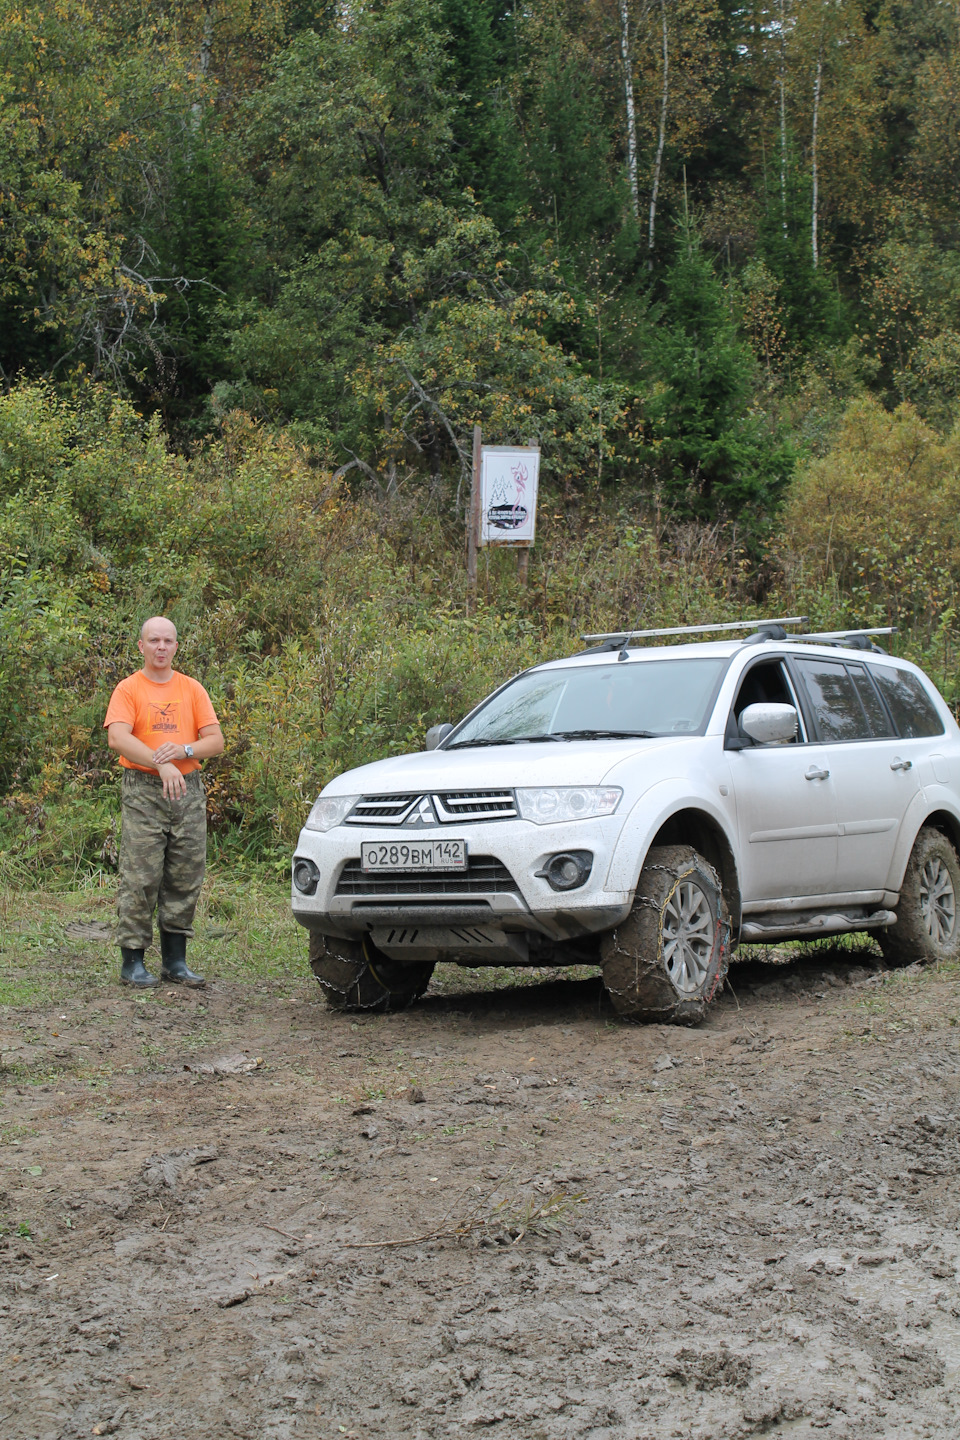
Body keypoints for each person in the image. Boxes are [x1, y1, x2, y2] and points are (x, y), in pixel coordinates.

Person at [103, 617, 224, 988]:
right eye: (153, 640)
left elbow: (215, 741)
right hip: (144, 790)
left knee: (185, 874)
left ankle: (175, 961)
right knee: (142, 875)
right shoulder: (128, 689)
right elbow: (118, 739)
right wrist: (162, 762)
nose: (160, 647)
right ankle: (133, 961)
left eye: (167, 641)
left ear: (175, 646)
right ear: (141, 646)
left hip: (187, 789)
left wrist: (185, 751)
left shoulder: (191, 689)